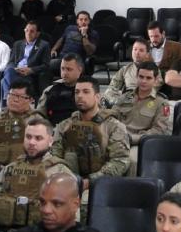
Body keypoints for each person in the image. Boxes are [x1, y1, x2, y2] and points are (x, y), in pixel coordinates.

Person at [52, 76, 130, 219]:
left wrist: (90, 181)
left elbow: (120, 162)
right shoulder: (65, 126)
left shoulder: (113, 126)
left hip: (100, 183)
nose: (80, 96)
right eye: (77, 92)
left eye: (86, 92)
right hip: (68, 181)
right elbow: (54, 157)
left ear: (97, 96)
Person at [0, 118, 74, 229]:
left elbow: (71, 213)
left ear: (50, 141)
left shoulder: (60, 172)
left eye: (38, 138)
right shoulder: (10, 169)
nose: (31, 142)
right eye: (28, 137)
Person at [105, 62, 172, 174]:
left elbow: (158, 131)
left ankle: (130, 190)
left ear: (155, 80)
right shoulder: (125, 97)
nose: (144, 81)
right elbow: (112, 115)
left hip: (139, 143)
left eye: (148, 78)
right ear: (136, 77)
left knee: (132, 161)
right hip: (117, 139)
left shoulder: (161, 104)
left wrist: (133, 138)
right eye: (141, 77)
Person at [0, 79, 42, 171]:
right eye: (12, 95)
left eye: (19, 96)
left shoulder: (37, 121)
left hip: (23, 170)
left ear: (30, 100)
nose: (15, 100)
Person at [0, 20, 50, 103]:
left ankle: (7, 102)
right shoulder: (18, 44)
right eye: (26, 30)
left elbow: (46, 65)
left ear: (37, 34)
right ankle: (9, 97)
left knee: (3, 81)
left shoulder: (44, 45)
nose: (28, 33)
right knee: (9, 70)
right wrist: (15, 68)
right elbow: (11, 62)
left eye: (32, 31)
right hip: (15, 72)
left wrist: (31, 70)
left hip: (29, 75)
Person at [36, 53, 84, 125]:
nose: (64, 73)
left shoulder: (87, 91)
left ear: (79, 70)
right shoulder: (50, 90)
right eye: (62, 68)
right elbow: (39, 115)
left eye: (69, 69)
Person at [102, 38, 152, 107]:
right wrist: (116, 99)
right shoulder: (125, 69)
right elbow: (112, 87)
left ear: (147, 54)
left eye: (141, 50)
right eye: (135, 49)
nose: (137, 53)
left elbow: (154, 90)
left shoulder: (154, 71)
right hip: (125, 102)